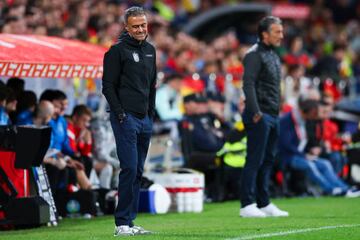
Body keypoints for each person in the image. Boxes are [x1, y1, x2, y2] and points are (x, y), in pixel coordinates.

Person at [102, 6, 156, 236]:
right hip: (126, 118)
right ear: (126, 27)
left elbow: (151, 86)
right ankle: (121, 223)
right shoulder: (116, 52)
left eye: (143, 25)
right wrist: (121, 114)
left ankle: (130, 222)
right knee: (129, 168)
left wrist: (151, 114)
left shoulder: (151, 50)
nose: (141, 29)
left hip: (144, 119)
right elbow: (108, 87)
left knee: (138, 171)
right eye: (135, 26)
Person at [240, 16, 289, 217]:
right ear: (264, 34)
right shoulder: (254, 55)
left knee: (268, 159)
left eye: (281, 31)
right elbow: (248, 84)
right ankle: (247, 204)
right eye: (277, 32)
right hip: (259, 115)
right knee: (255, 159)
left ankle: (264, 202)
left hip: (273, 114)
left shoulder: (273, 55)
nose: (281, 35)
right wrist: (256, 111)